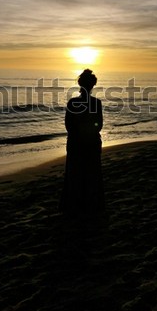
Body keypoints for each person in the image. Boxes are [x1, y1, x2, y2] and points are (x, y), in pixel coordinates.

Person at [60, 69, 104, 216]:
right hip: (91, 143)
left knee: (75, 174)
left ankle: (74, 204)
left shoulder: (73, 103)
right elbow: (99, 124)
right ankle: (91, 203)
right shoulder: (96, 103)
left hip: (76, 143)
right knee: (92, 173)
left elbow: (68, 125)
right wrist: (89, 132)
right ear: (92, 86)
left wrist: (80, 133)